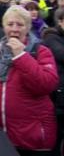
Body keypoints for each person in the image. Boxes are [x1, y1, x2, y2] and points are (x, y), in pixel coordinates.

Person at [0, 6, 58, 156]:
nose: (15, 29)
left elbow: (46, 85)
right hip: (3, 136)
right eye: (10, 24)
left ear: (28, 27)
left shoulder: (41, 51)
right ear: (3, 27)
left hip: (33, 138)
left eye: (20, 24)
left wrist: (21, 56)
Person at [42, 8, 64, 156]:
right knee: (57, 136)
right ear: (61, 21)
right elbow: (61, 55)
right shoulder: (51, 37)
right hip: (58, 96)